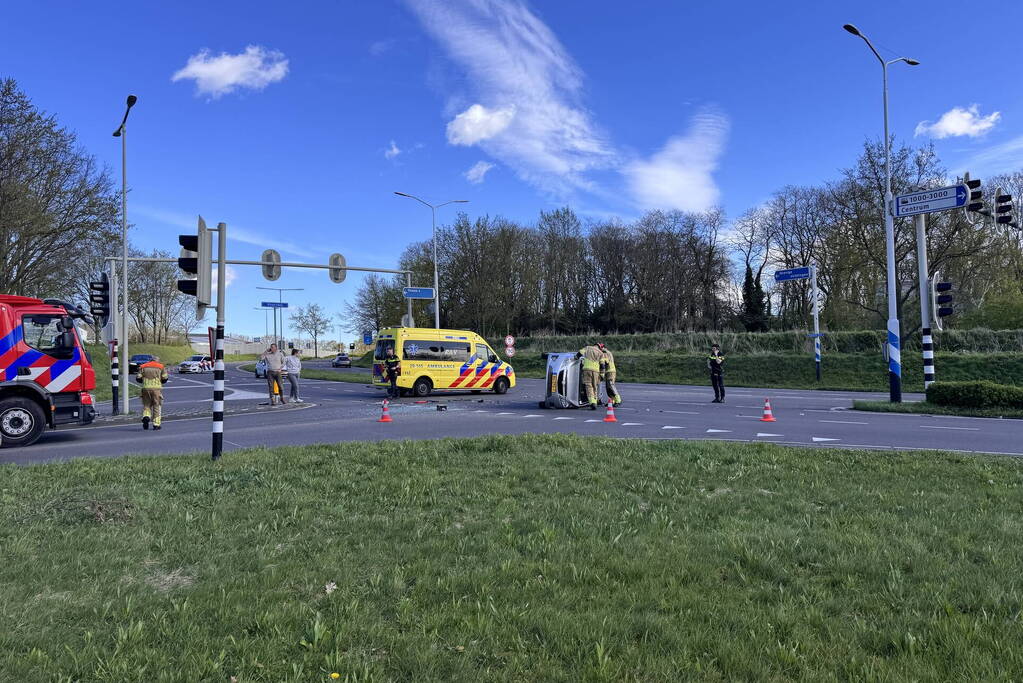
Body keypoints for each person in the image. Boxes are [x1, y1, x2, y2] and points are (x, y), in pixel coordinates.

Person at [135, 355, 168, 430]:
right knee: (156, 406)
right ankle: (156, 424)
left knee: (146, 405)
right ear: (157, 360)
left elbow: (138, 378)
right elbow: (165, 378)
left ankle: (146, 416)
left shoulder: (143, 366)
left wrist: (144, 381)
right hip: (156, 389)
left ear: (150, 360)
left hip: (145, 389)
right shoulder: (161, 367)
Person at [576, 343, 604, 410]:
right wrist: (602, 375)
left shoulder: (588, 348)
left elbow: (580, 353)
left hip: (587, 369)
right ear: (599, 347)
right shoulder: (601, 353)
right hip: (596, 371)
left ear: (594, 345)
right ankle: (595, 401)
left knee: (589, 385)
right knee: (595, 386)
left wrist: (576, 357)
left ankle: (592, 403)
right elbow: (602, 365)